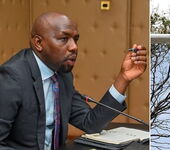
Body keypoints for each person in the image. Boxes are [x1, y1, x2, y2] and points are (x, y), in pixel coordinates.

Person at [0, 12, 147, 150]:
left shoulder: (62, 76)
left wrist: (123, 78)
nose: (74, 47)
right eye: (64, 39)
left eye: (75, 40)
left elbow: (90, 124)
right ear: (38, 43)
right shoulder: (11, 78)